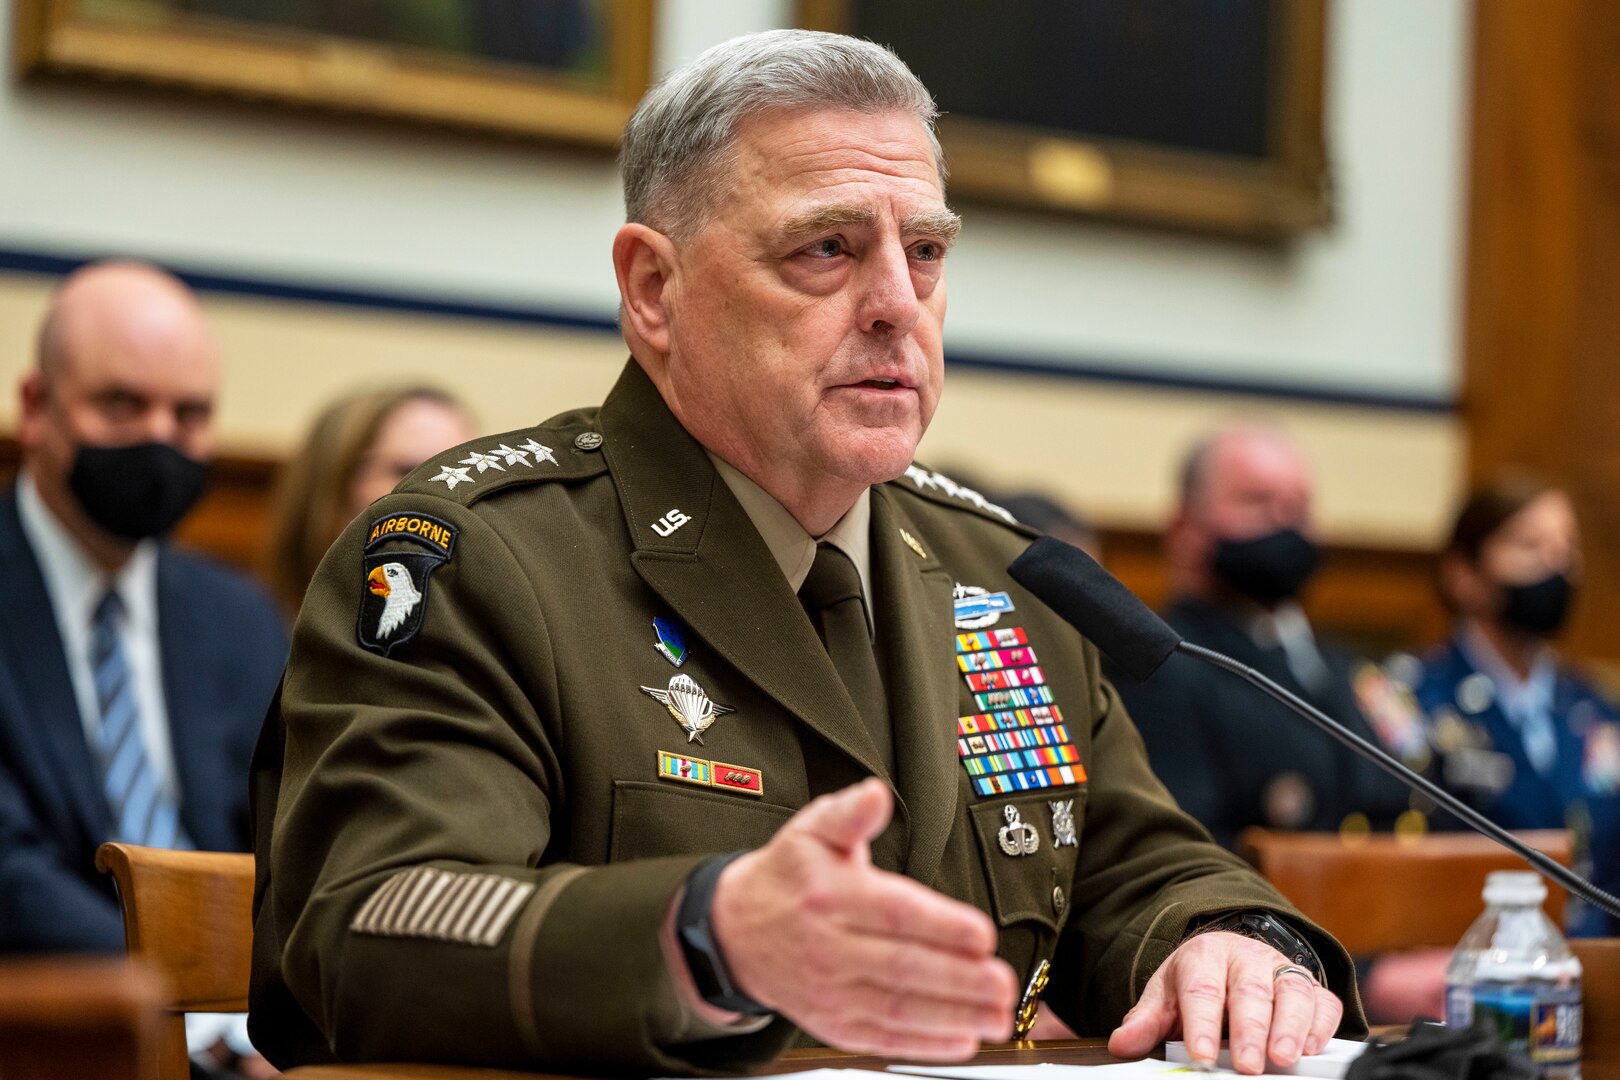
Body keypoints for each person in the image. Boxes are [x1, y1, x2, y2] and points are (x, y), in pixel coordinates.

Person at [249, 31, 1359, 1077]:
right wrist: (702, 935)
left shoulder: (1005, 579)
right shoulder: (484, 560)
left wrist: (1231, 939)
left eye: (924, 252)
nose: (895, 306)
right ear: (654, 290)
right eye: (826, 248)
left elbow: (1136, 868)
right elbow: (370, 920)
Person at [0, 262, 289, 1074]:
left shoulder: (237, 618)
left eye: (190, 413)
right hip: (57, 1032)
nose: (161, 437)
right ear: (35, 409)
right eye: (122, 404)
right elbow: (11, 875)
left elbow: (290, 844)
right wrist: (196, 1010)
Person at [1404, 473, 1620, 936]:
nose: (1556, 564)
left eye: (1567, 547)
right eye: (1530, 545)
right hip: (1460, 964)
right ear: (1464, 575)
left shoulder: (1598, 710)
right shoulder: (1413, 698)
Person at [261, 385, 475, 617]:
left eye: (469, 475)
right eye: (413, 471)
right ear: (331, 487)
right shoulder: (253, 632)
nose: (454, 494)